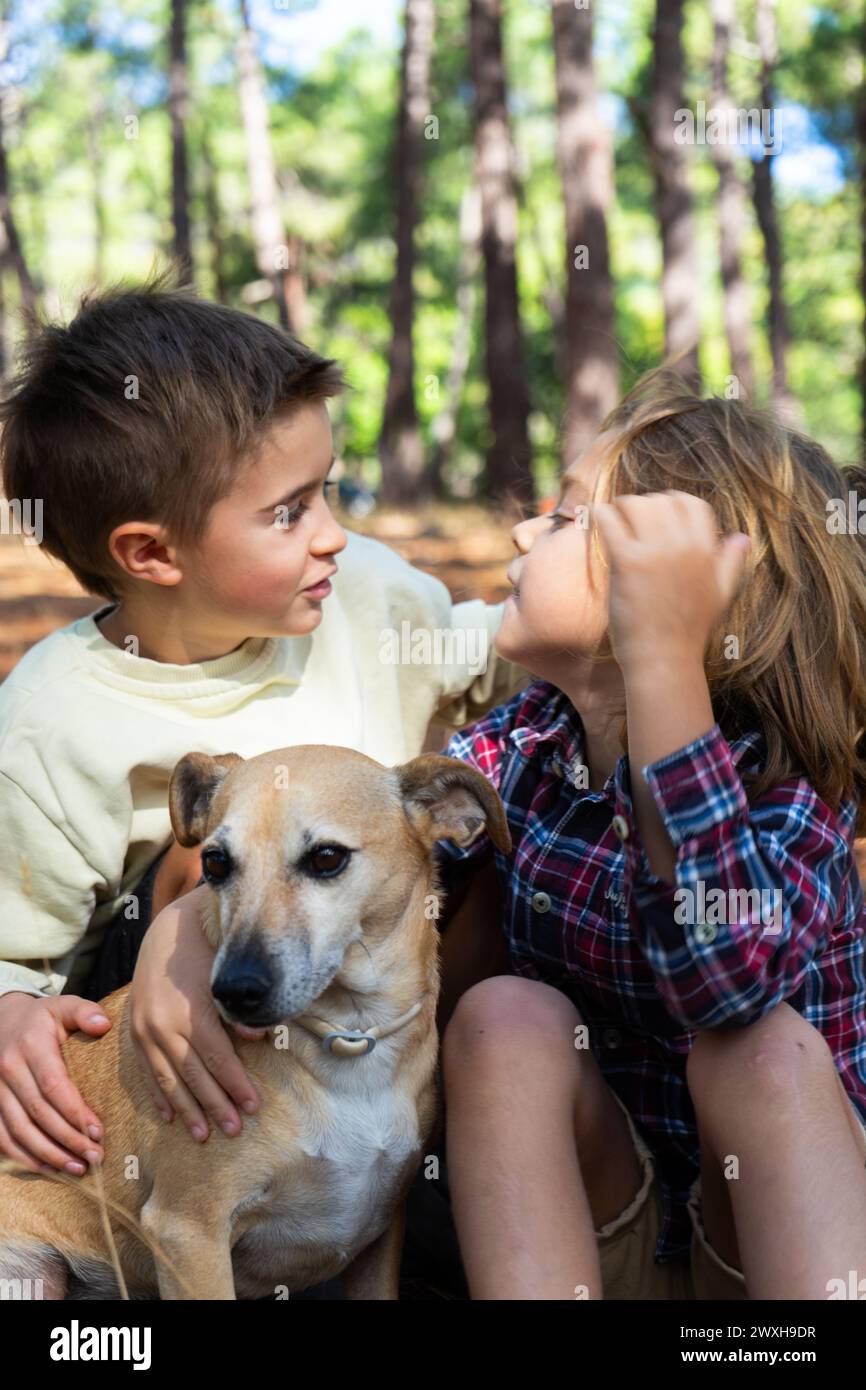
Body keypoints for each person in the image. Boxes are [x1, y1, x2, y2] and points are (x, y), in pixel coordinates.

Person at [0, 270, 530, 1196]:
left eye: (326, 492)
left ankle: (423, 1164)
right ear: (152, 554)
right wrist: (12, 1011)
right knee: (203, 848)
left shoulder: (364, 590)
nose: (333, 535)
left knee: (464, 841)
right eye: (290, 512)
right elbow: (15, 952)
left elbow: (498, 656)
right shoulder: (52, 722)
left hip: (383, 1008)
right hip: (205, 1049)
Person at [433, 368, 866, 1300]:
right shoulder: (523, 743)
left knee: (762, 1053)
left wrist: (661, 656)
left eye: (565, 519)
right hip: (611, 1231)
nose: (521, 531)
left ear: (685, 590)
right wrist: (187, 938)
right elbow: (377, 858)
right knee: (505, 1019)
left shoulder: (786, 788)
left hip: (770, 1253)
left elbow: (727, 984)